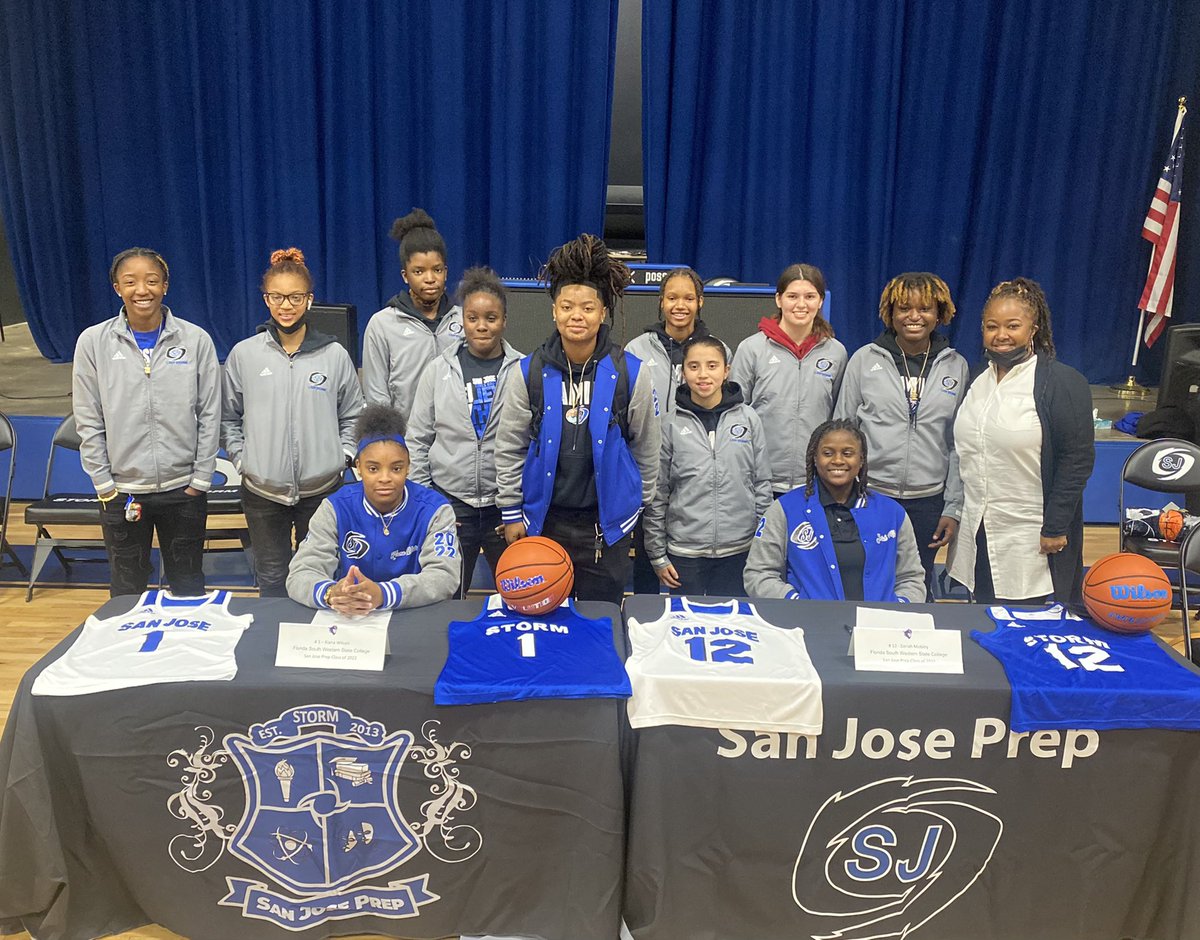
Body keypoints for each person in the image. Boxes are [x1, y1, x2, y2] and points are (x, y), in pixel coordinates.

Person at [494, 233, 661, 605]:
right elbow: (508, 448)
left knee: (600, 624)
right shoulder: (528, 372)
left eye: (587, 307)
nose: (577, 316)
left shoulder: (631, 372)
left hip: (605, 529)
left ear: (603, 312)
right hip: (543, 524)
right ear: (554, 310)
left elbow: (647, 449)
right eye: (567, 306)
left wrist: (635, 509)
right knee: (545, 626)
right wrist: (511, 512)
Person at [73, 247, 220, 597]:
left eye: (152, 281)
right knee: (127, 587)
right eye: (131, 282)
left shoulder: (195, 340)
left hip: (183, 490)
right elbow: (88, 417)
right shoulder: (93, 343)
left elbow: (210, 412)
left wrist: (200, 479)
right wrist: (105, 485)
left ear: (165, 286)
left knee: (188, 583)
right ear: (117, 288)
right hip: (123, 492)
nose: (142, 290)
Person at [221, 248, 364, 597]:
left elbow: (354, 414)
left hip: (323, 489)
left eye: (295, 297)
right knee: (271, 577)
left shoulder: (334, 354)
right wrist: (243, 460)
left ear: (309, 300)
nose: (286, 305)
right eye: (278, 297)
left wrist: (343, 456)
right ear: (266, 300)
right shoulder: (245, 354)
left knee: (318, 572)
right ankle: (272, 646)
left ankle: (315, 646)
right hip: (262, 490)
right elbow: (228, 417)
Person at [947, 277, 1094, 606]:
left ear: (1034, 329)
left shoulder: (1061, 382)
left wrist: (1056, 526)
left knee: (1032, 631)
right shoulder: (976, 379)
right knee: (986, 622)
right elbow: (965, 453)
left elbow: (1077, 460)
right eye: (991, 326)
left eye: (1013, 325)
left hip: (1035, 538)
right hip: (979, 531)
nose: (1001, 335)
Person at [834, 272, 968, 600]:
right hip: (872, 494)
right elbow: (842, 432)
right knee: (865, 578)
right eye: (904, 308)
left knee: (916, 579)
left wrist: (952, 508)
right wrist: (843, 493)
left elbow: (959, 445)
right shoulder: (864, 360)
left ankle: (910, 646)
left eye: (924, 309)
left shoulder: (956, 366)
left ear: (940, 314)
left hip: (928, 499)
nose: (913, 317)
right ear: (890, 314)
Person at [407, 267, 522, 597]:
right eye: (473, 318)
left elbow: (533, 444)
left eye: (491, 317)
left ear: (504, 320)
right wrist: (431, 503)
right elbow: (417, 440)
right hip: (452, 504)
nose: (482, 326)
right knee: (448, 596)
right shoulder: (438, 370)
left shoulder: (523, 371)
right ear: (463, 320)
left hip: (506, 508)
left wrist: (521, 506)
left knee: (517, 598)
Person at [286, 405, 459, 613]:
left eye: (396, 468)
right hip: (351, 618)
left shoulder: (435, 509)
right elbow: (300, 574)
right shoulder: (335, 507)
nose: (385, 478)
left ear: (408, 466)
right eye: (373, 468)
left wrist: (384, 594)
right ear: (358, 467)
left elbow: (444, 577)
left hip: (414, 615)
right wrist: (332, 593)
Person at [625, 267, 729, 594]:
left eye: (687, 297)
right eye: (672, 297)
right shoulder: (637, 350)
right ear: (661, 302)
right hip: (648, 473)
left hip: (696, 478)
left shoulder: (717, 351)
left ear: (700, 302)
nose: (679, 305)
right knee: (646, 563)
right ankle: (643, 626)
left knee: (687, 579)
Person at [643, 335, 772, 596]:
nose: (703, 374)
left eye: (712, 366)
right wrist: (657, 554)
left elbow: (761, 484)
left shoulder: (748, 419)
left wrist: (761, 544)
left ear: (726, 371)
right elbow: (658, 493)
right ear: (682, 372)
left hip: (739, 550)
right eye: (694, 366)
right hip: (685, 552)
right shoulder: (669, 424)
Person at [743, 419, 925, 602]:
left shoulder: (892, 513)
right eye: (828, 453)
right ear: (815, 458)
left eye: (847, 453)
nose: (838, 460)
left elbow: (911, 577)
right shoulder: (786, 509)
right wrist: (794, 603)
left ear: (861, 460)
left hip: (876, 626)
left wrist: (900, 610)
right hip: (809, 624)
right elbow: (758, 573)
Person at [731, 263, 847, 495]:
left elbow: (838, 416)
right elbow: (735, 415)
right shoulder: (752, 349)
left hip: (815, 483)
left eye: (810, 296)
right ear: (778, 299)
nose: (801, 305)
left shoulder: (836, 353)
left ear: (821, 301)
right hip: (759, 482)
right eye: (792, 296)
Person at [361, 208, 463, 421]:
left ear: (446, 271)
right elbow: (377, 397)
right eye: (419, 271)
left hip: (455, 445)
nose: (430, 278)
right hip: (406, 442)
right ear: (405, 276)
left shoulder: (464, 320)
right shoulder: (382, 325)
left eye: (437, 270)